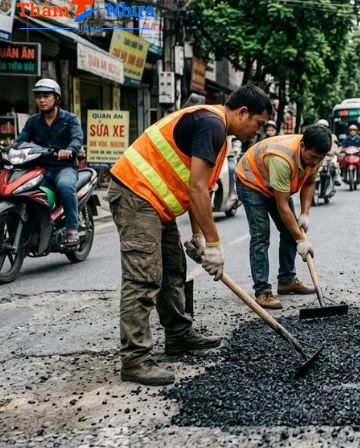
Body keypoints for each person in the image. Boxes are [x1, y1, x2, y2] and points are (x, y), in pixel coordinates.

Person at [107, 84, 272, 386]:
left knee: (174, 270)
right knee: (143, 278)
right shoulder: (212, 124)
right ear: (243, 112)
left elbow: (201, 189)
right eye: (258, 124)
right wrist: (214, 245)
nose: (257, 131)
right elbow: (196, 189)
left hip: (156, 202)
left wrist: (198, 236)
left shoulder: (218, 134)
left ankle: (179, 336)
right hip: (136, 193)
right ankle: (135, 360)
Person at [235, 124, 332, 309]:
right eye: (313, 157)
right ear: (302, 146)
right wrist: (301, 240)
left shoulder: (316, 155)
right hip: (252, 182)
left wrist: (304, 214)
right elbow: (282, 204)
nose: (315, 162)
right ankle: (262, 291)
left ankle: (286, 281)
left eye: (320, 158)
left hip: (276, 183)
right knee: (261, 235)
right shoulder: (282, 158)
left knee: (290, 230)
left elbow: (309, 181)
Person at [11, 79, 83, 246]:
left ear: (56, 98)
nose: (41, 100)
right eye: (38, 97)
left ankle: (72, 227)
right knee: (23, 187)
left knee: (65, 185)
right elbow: (21, 141)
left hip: (64, 167)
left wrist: (70, 150)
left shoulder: (70, 119)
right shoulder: (33, 121)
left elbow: (77, 138)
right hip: (41, 168)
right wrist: (8, 150)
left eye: (46, 96)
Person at [317, 119, 342, 185]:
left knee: (335, 163)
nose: (322, 128)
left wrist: (331, 152)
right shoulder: (315, 136)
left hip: (329, 156)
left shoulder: (332, 136)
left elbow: (334, 146)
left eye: (323, 126)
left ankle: (337, 178)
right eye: (320, 126)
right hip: (318, 156)